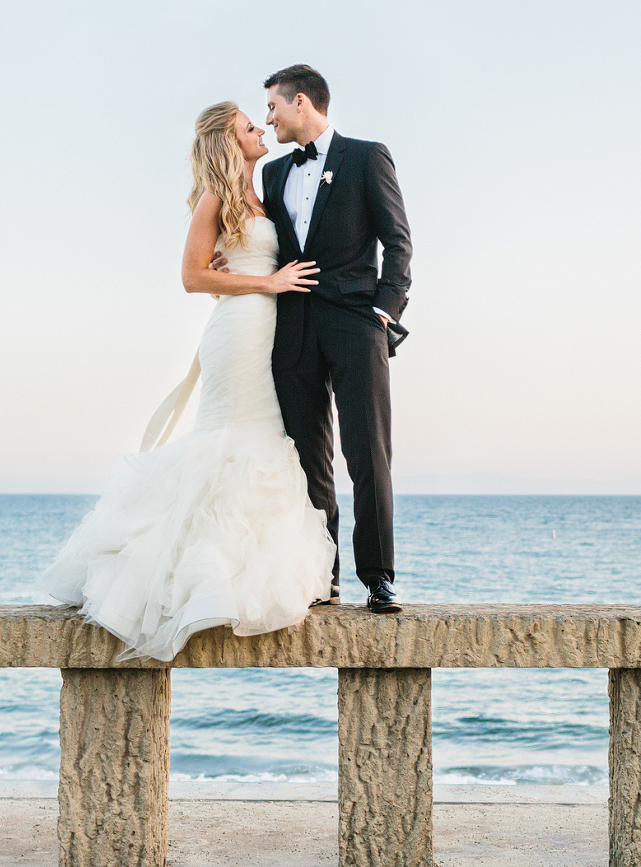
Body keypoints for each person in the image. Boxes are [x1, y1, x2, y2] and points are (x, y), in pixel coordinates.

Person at [33, 101, 337, 662]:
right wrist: (267, 282)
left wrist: (255, 281)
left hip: (267, 327)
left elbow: (231, 269)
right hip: (239, 334)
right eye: (250, 126)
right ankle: (189, 578)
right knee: (230, 439)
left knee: (265, 441)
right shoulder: (214, 198)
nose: (261, 129)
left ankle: (242, 572)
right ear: (229, 141)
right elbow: (191, 276)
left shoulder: (261, 194)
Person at [214, 65, 412, 613]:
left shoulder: (368, 157)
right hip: (292, 331)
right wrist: (227, 260)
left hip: (357, 326)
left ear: (300, 102)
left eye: (272, 108)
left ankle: (378, 577)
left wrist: (384, 313)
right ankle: (324, 577)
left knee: (368, 452)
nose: (269, 119)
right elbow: (266, 244)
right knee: (307, 460)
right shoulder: (274, 175)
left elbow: (398, 241)